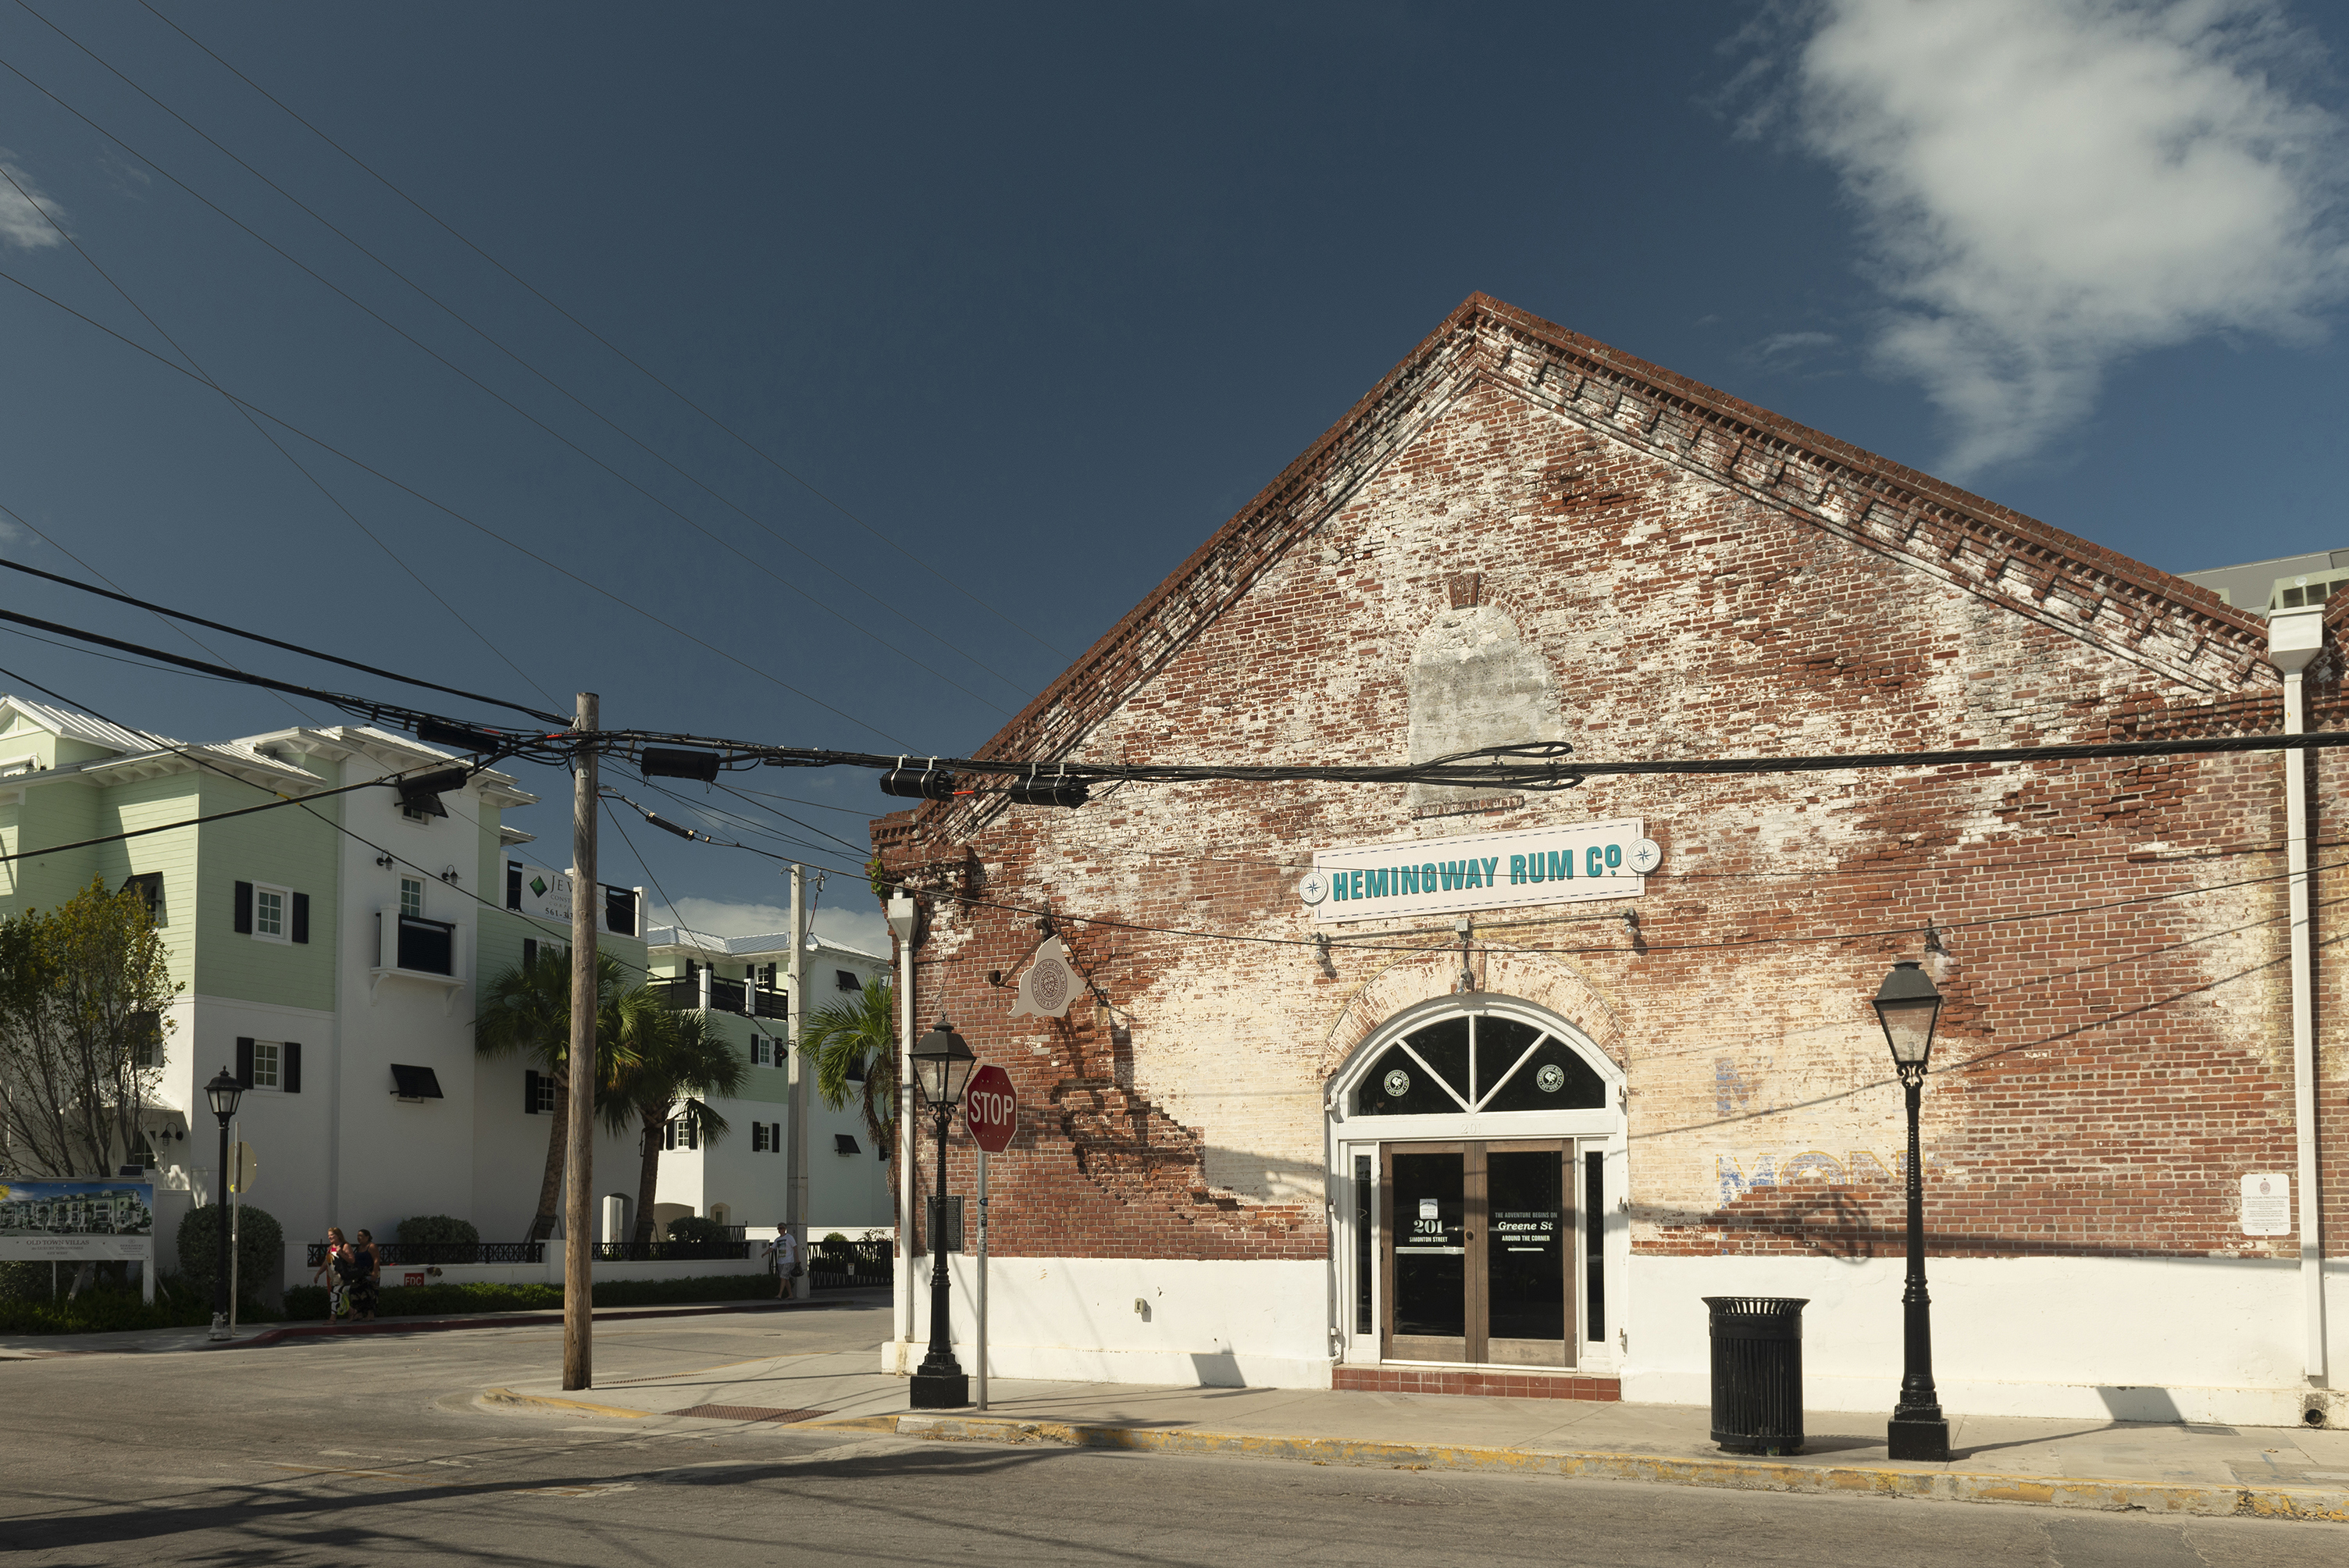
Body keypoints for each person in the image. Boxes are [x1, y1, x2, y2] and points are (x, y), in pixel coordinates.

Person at [313, 1228, 351, 1320]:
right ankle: (352, 1311)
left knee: (335, 1296)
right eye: (328, 1235)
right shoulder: (330, 1248)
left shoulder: (345, 1246)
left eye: (332, 1235)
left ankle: (333, 1318)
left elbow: (352, 1260)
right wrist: (318, 1273)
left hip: (341, 1276)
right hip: (332, 1277)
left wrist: (341, 1253)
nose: (329, 1237)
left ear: (338, 1235)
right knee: (338, 1296)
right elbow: (326, 1262)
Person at [347, 1228, 382, 1321]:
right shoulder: (359, 1247)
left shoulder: (372, 1246)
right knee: (355, 1291)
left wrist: (374, 1273)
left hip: (370, 1273)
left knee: (369, 1293)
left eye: (361, 1236)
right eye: (358, 1236)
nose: (359, 1238)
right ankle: (359, 1313)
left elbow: (376, 1259)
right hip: (360, 1274)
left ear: (367, 1237)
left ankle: (370, 1315)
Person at [770, 1227, 801, 1300]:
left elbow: (795, 1248)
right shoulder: (778, 1239)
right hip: (781, 1261)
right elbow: (772, 1248)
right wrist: (765, 1253)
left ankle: (779, 1295)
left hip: (788, 1260)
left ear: (784, 1229)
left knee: (783, 1277)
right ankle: (790, 1295)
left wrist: (797, 1259)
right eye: (778, 1229)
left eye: (781, 1228)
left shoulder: (789, 1237)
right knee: (785, 1279)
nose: (779, 1230)